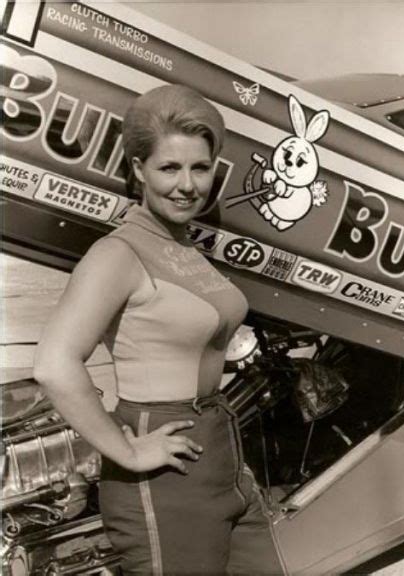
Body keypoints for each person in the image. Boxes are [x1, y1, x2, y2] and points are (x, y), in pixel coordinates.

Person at [34, 84, 287, 576]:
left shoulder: (187, 248)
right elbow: (54, 365)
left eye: (200, 167)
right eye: (169, 168)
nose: (188, 184)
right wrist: (127, 449)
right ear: (138, 170)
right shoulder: (118, 254)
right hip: (164, 473)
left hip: (221, 455)